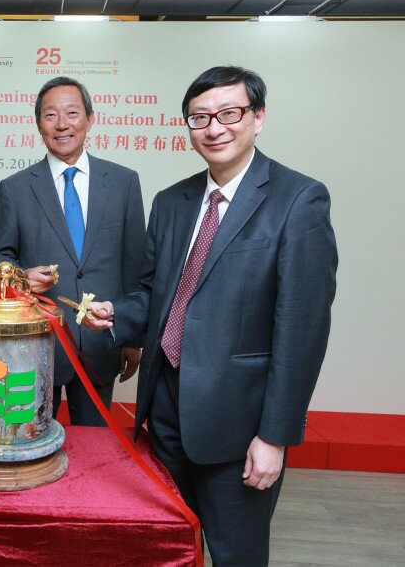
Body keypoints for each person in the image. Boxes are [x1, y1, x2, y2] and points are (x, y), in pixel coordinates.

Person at [84, 66, 338, 565]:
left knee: (235, 554)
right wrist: (118, 313)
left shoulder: (297, 199)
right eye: (200, 117)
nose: (214, 128)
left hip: (240, 426)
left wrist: (275, 436)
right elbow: (156, 295)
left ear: (258, 117)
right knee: (170, 549)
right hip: (164, 413)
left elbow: (302, 331)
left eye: (229, 113)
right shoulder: (172, 201)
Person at [0, 76, 146, 426]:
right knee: (29, 446)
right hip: (35, 346)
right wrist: (20, 277)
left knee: (96, 450)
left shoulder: (123, 182)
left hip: (101, 342)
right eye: (50, 115)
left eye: (72, 113)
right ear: (38, 125)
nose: (62, 124)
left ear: (91, 118)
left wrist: (133, 338)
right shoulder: (14, 189)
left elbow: (135, 267)